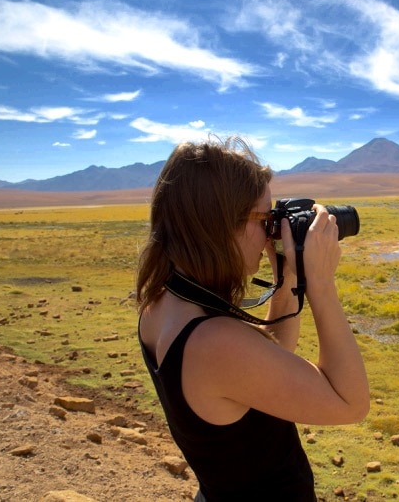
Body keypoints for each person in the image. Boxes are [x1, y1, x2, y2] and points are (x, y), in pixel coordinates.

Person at [136, 138, 369, 501]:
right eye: (263, 219)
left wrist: (287, 275)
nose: (270, 233)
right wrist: (321, 284)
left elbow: (266, 355)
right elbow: (351, 403)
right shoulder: (214, 344)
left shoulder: (164, 302)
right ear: (219, 224)